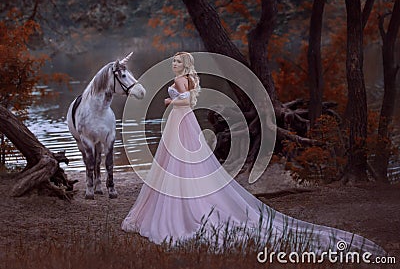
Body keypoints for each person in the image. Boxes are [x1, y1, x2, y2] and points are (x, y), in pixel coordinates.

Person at [122, 52, 386, 256]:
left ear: (185, 64)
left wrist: (169, 101)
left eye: (178, 62)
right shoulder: (192, 79)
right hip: (187, 121)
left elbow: (185, 101)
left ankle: (180, 200)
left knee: (176, 160)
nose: (174, 65)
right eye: (174, 62)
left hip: (180, 119)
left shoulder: (180, 80)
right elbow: (193, 100)